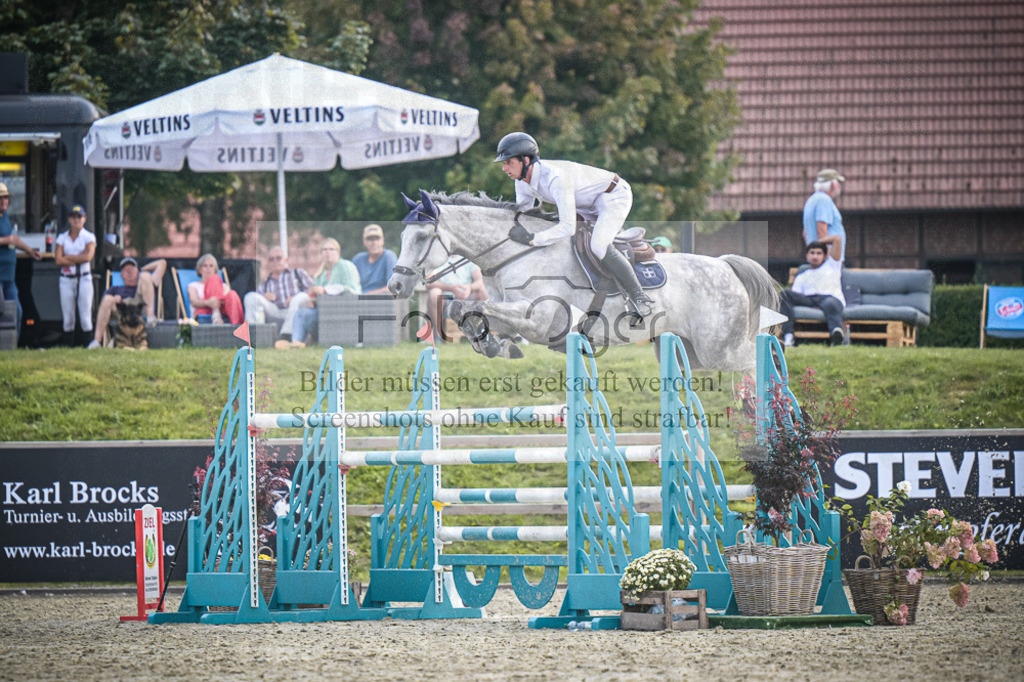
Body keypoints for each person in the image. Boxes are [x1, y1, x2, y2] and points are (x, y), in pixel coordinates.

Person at [494, 132, 654, 321]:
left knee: (598, 246)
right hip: (586, 205)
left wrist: (533, 239)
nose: (504, 168)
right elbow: (523, 216)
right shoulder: (522, 181)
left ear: (525, 159)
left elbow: (568, 227)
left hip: (613, 196)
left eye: (508, 162)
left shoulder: (555, 178)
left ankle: (640, 298)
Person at [285, 238, 362, 349]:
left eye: (331, 249)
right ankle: (296, 342)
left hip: (344, 312)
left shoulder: (345, 266)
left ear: (338, 252)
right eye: (324, 250)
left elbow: (352, 290)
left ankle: (306, 340)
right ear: (320, 254)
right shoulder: (321, 273)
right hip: (323, 313)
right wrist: (312, 300)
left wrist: (326, 290)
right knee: (301, 313)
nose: (327, 252)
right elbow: (317, 295)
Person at [780, 234, 845, 347]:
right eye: (812, 253)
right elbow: (796, 296)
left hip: (830, 299)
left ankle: (836, 334)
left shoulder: (832, 266)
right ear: (807, 256)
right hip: (809, 300)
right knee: (784, 294)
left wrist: (817, 241)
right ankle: (788, 336)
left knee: (829, 303)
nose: (815, 256)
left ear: (825, 256)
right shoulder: (802, 276)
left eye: (819, 253)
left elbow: (837, 239)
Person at [88, 256, 167, 349]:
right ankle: (97, 341)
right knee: (108, 299)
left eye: (132, 268)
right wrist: (114, 300)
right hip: (122, 312)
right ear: (121, 275)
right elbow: (104, 304)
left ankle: (150, 318)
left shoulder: (145, 283)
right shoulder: (115, 289)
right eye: (125, 270)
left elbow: (162, 263)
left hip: (141, 308)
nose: (129, 271)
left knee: (145, 275)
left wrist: (142, 270)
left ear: (137, 271)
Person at [243, 246, 313, 342]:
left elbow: (312, 291)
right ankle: (254, 338)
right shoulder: (265, 282)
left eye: (278, 258)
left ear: (286, 260)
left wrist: (294, 298)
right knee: (250, 297)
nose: (275, 261)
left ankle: (287, 336)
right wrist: (264, 297)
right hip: (275, 313)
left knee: (302, 297)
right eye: (271, 259)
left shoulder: (298, 273)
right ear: (268, 263)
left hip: (294, 312)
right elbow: (256, 302)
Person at [0, 182, 42, 340]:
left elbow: (15, 240)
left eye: (6, 198)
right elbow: (9, 239)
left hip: (9, 277)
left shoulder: (6, 217)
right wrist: (5, 240)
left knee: (16, 310)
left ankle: (13, 345)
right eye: (1, 198)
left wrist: (30, 251)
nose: (4, 201)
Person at [53, 204, 96, 344]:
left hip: (83, 277)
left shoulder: (89, 237)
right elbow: (58, 260)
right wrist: (78, 257)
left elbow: (88, 257)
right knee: (68, 317)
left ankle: (87, 344)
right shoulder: (62, 237)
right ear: (69, 219)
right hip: (66, 278)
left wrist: (69, 257)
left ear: (84, 219)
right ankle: (68, 346)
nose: (76, 220)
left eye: (79, 217)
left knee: (85, 316)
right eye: (73, 217)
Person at [426, 255, 488, 342]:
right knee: (434, 292)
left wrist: (470, 287)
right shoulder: (439, 259)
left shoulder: (468, 259)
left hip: (467, 298)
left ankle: (484, 334)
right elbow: (428, 282)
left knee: (483, 291)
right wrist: (452, 288)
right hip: (446, 299)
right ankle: (438, 336)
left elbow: (480, 281)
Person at [803, 168, 846, 262]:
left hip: (818, 260)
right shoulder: (824, 200)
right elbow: (821, 229)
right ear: (832, 185)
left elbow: (805, 233)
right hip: (828, 261)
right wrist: (827, 256)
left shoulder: (811, 200)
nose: (839, 185)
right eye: (838, 182)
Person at [188, 253, 243, 325]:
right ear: (199, 269)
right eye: (205, 266)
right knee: (214, 278)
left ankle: (235, 324)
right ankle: (217, 313)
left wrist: (215, 302)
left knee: (232, 294)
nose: (208, 268)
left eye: (211, 266)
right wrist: (208, 302)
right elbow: (194, 302)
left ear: (215, 269)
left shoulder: (223, 286)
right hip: (204, 313)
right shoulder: (193, 286)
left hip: (222, 313)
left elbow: (229, 302)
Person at [351, 224, 397, 294]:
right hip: (358, 300)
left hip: (382, 301)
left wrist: (369, 294)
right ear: (364, 241)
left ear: (382, 240)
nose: (374, 242)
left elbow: (393, 286)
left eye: (377, 238)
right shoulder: (358, 259)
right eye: (370, 239)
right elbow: (350, 284)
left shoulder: (389, 256)